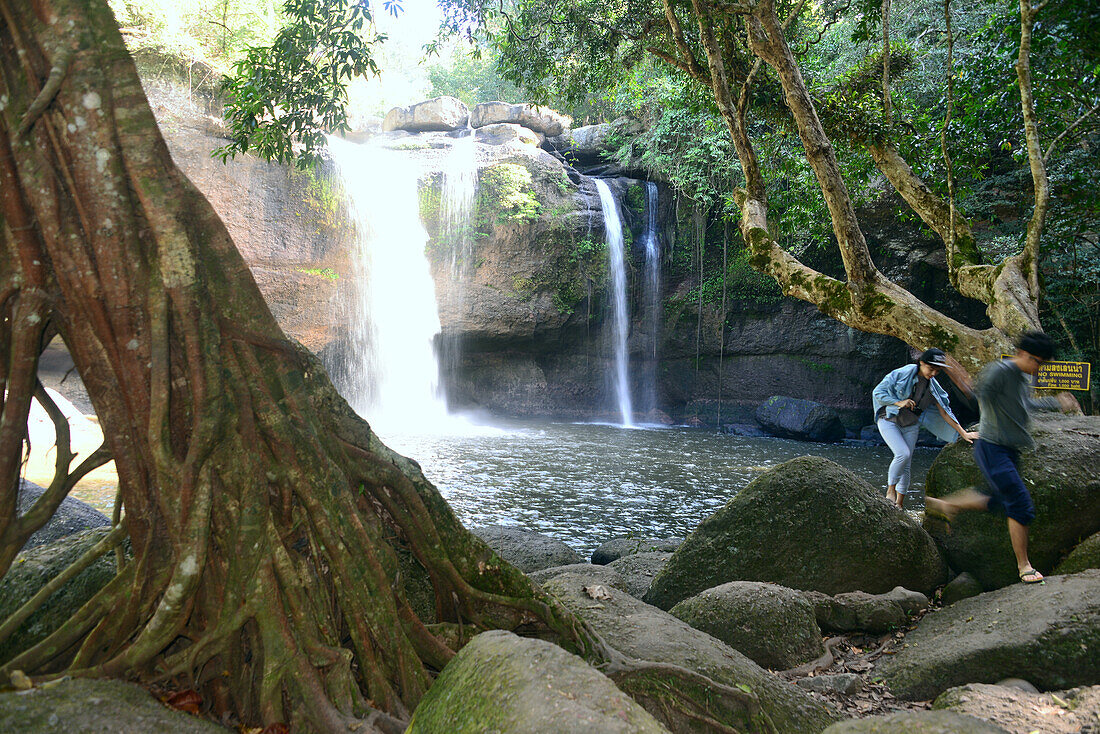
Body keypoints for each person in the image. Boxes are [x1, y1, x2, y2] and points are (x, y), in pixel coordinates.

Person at [927, 331, 1080, 584]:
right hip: (992, 447)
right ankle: (1024, 566)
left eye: (1041, 363)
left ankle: (949, 505)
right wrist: (960, 377)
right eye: (1035, 361)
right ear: (1022, 354)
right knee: (1020, 504)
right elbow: (977, 394)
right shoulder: (1000, 371)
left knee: (999, 500)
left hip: (1009, 450)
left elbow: (1023, 408)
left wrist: (1056, 402)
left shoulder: (1021, 377)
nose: (1037, 367)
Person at [872, 348, 979, 509]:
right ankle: (890, 491)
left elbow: (945, 411)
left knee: (906, 463)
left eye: (938, 370)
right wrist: (898, 402)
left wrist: (963, 433)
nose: (934, 373)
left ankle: (899, 504)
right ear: (921, 363)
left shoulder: (934, 386)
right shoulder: (903, 373)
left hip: (911, 423)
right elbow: (878, 392)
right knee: (903, 453)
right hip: (888, 419)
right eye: (931, 368)